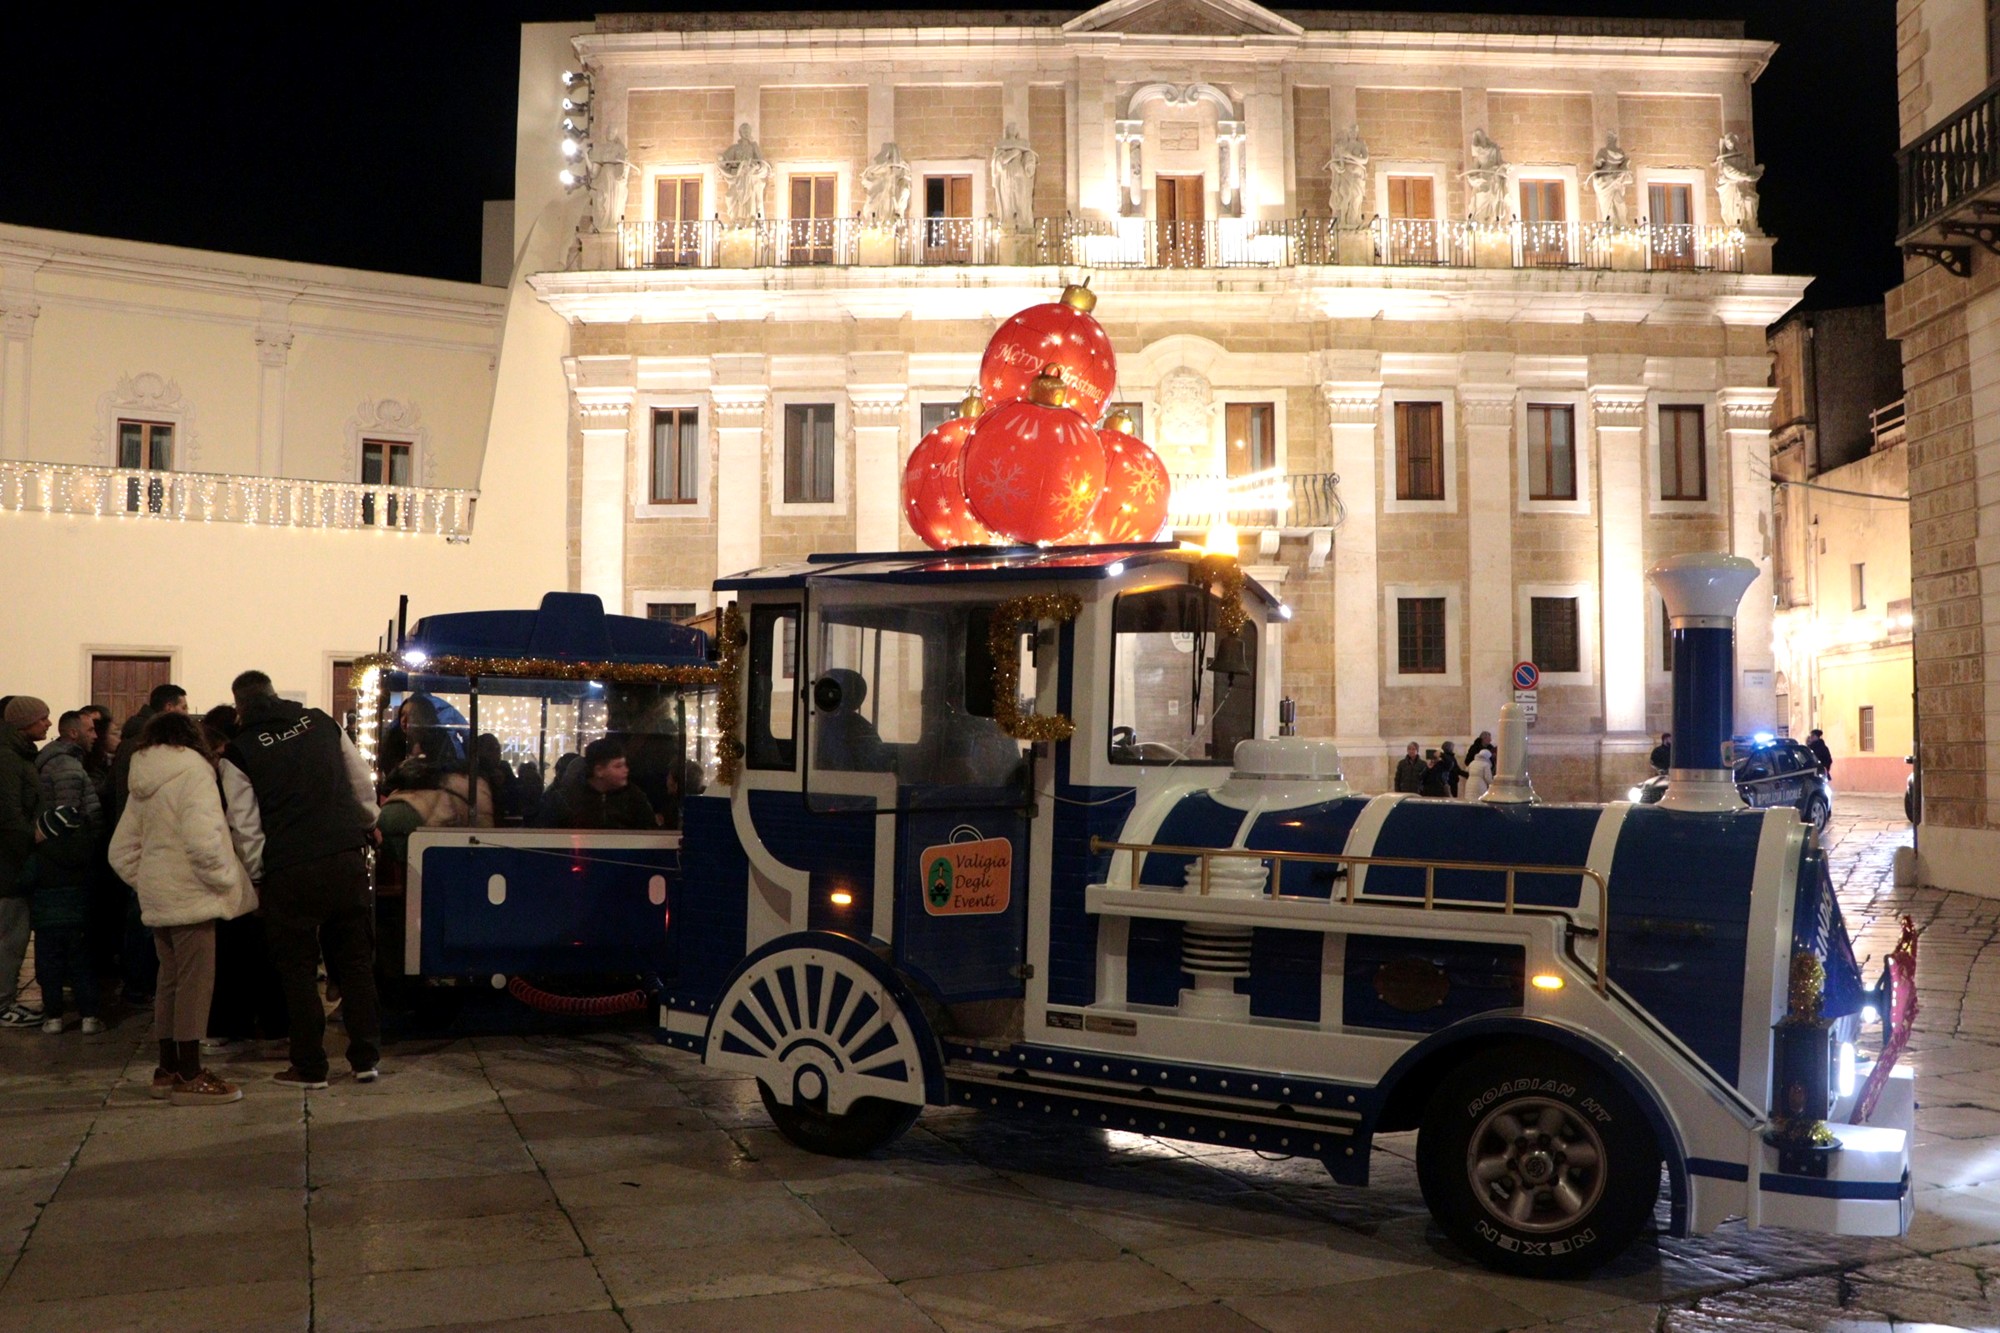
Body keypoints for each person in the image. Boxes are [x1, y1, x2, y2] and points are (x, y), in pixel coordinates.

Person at [220, 670, 381, 1090]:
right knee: (355, 964)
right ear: (274, 693)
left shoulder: (239, 753)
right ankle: (366, 1059)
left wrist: (257, 875)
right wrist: (369, 823)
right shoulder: (321, 723)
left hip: (290, 869)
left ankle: (310, 1067)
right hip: (344, 857)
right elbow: (360, 781)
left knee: (298, 971)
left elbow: (245, 826)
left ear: (239, 706)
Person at [109, 711, 254, 1104]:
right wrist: (225, 880)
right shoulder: (194, 772)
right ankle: (190, 1074)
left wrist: (151, 880)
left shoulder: (144, 777)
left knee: (169, 981)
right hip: (192, 895)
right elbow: (204, 841)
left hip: (161, 894)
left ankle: (167, 1068)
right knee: (195, 983)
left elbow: (120, 850)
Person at [34, 710, 105, 1034]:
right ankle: (88, 1014)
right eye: (90, 730)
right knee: (80, 959)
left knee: (49, 963)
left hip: (48, 912)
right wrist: (87, 846)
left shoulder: (61, 761)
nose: (95, 735)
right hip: (73, 894)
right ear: (74, 733)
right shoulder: (66, 766)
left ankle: (53, 1016)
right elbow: (68, 818)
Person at [536, 737, 658, 830]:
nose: (625, 770)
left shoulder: (634, 797)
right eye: (618, 766)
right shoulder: (564, 800)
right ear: (599, 770)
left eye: (624, 765)